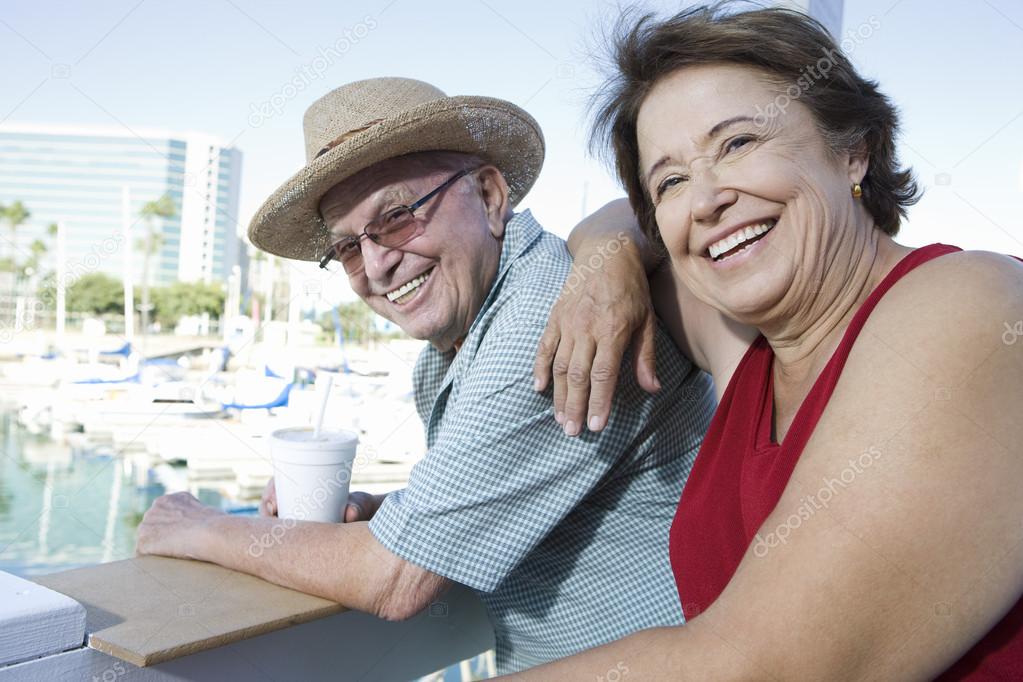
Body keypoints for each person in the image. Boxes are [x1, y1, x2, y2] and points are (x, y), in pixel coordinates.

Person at [135, 77, 717, 673]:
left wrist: (200, 527)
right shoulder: (458, 345)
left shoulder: (537, 324)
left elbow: (392, 580)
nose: (379, 265)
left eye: (397, 216)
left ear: (490, 196)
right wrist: (377, 509)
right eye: (349, 249)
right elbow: (503, 495)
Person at [520, 5, 1023, 680]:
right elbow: (612, 222)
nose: (703, 201)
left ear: (853, 149)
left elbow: (760, 666)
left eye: (737, 144)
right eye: (668, 181)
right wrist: (604, 263)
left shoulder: (971, 302)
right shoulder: (744, 343)